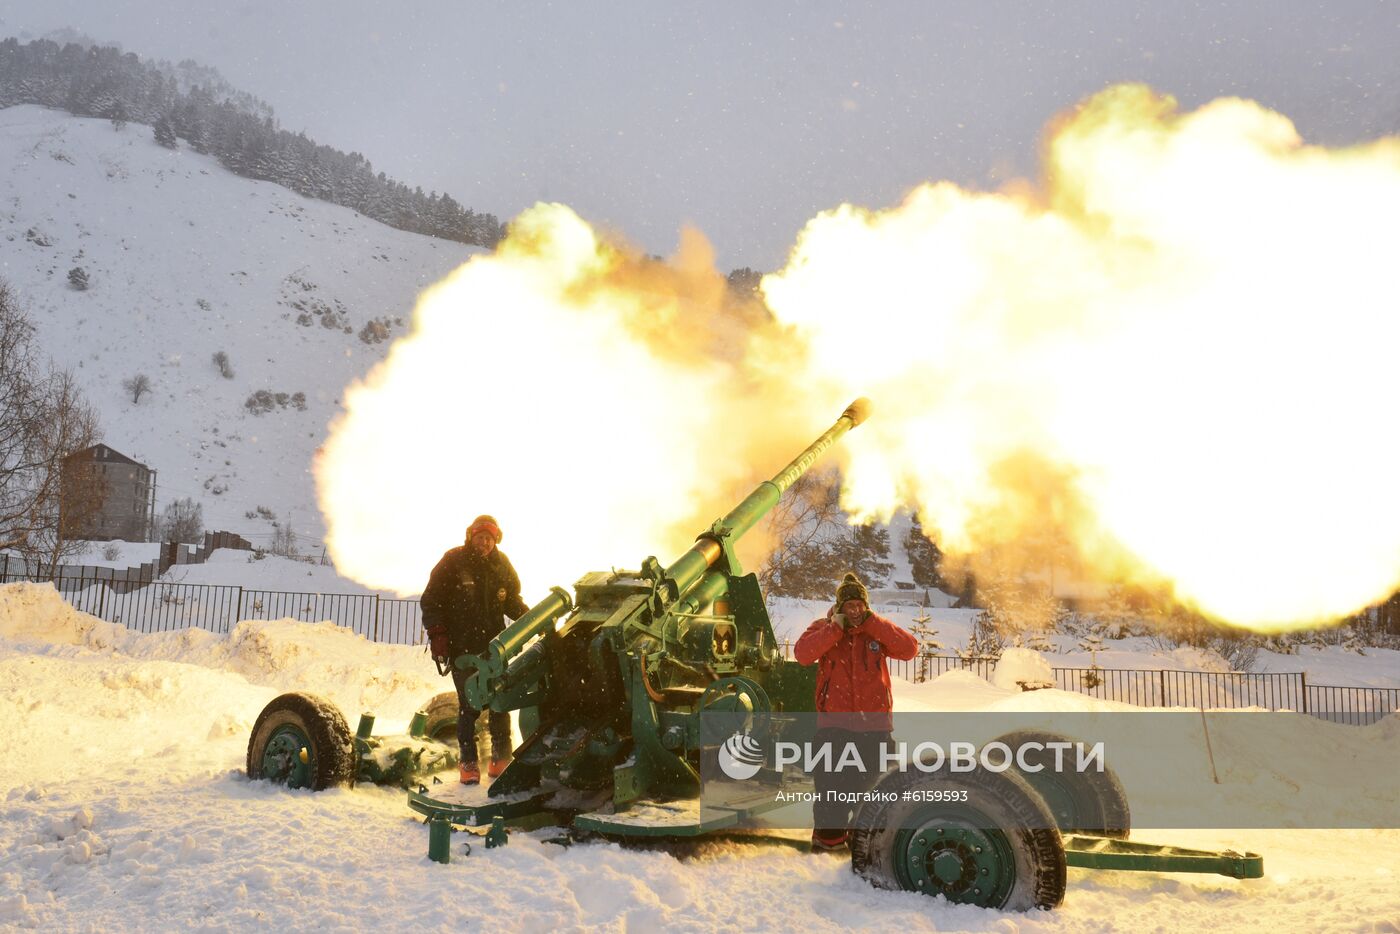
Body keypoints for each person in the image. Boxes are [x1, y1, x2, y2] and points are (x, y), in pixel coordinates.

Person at [793, 571, 918, 852]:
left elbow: (910, 649)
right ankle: (827, 848)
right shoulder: (823, 628)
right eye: (849, 606)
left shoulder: (875, 632)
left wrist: (875, 623)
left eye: (860, 605)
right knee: (831, 794)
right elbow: (802, 654)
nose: (855, 611)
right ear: (839, 607)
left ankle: (865, 847)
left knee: (875, 791)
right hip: (834, 730)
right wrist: (834, 629)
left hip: (875, 730)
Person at [420, 514, 529, 785]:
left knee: (499, 700)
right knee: (469, 703)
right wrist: (438, 636)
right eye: (481, 538)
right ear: (471, 536)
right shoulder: (453, 560)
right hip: (462, 647)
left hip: (493, 647)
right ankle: (468, 762)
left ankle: (500, 759)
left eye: (490, 539)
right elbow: (431, 601)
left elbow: (511, 600)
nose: (485, 544)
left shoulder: (501, 564)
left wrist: (531, 619)